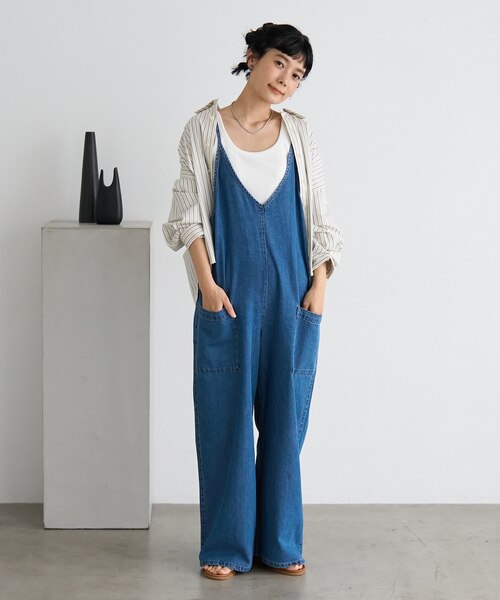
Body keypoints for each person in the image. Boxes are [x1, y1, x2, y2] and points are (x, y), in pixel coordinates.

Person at [162, 22, 343, 580]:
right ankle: (225, 545)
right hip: (228, 294)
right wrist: (208, 287)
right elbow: (188, 214)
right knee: (226, 420)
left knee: (286, 423)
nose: (287, 79)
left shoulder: (300, 134)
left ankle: (280, 543)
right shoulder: (203, 129)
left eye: (298, 74)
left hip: (294, 296)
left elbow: (320, 215)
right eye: (280, 64)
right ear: (252, 57)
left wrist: (319, 287)